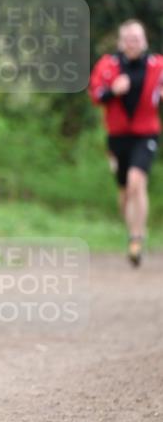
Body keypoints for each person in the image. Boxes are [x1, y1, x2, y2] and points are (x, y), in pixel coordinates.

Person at [88, 19, 162, 266]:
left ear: (145, 41)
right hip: (117, 136)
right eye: (129, 39)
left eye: (137, 39)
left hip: (146, 134)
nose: (133, 43)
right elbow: (95, 95)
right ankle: (133, 231)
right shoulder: (108, 66)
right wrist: (113, 91)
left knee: (136, 182)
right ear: (121, 42)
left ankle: (136, 238)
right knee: (124, 191)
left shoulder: (158, 66)